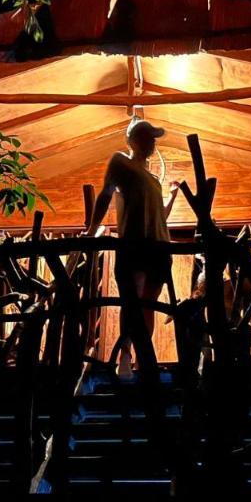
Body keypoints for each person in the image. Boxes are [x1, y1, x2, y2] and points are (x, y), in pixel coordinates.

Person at [83, 115, 180, 377]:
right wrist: (92, 230)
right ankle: (125, 354)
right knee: (133, 301)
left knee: (148, 303)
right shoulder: (121, 163)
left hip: (159, 246)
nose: (151, 143)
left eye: (152, 138)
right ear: (133, 140)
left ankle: (143, 358)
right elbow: (105, 194)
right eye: (146, 137)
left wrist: (172, 197)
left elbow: (160, 214)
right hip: (135, 242)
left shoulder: (154, 181)